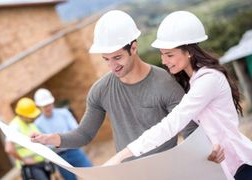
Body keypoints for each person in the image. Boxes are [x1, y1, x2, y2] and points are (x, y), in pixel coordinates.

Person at [30, 10, 222, 165]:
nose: (113, 66)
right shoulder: (100, 90)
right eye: (106, 59)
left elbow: (190, 132)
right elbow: (83, 135)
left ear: (133, 48)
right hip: (127, 173)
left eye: (117, 58)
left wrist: (208, 156)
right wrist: (49, 139)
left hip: (166, 170)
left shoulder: (166, 84)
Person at [103, 11, 252, 180]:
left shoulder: (208, 80)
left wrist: (122, 155)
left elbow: (174, 122)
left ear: (189, 51)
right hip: (220, 167)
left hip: (240, 165)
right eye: (162, 54)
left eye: (170, 55)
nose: (164, 61)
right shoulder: (190, 82)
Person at [33, 88, 93, 180]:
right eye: (44, 106)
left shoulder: (64, 113)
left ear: (52, 102)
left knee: (92, 173)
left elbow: (75, 130)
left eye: (49, 104)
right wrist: (62, 138)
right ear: (39, 107)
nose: (48, 108)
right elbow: (44, 144)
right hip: (60, 158)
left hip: (74, 151)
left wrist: (54, 140)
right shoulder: (37, 124)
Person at [5, 97, 54, 180]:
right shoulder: (14, 126)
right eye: (30, 116)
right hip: (31, 166)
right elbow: (9, 148)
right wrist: (24, 160)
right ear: (22, 115)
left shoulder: (30, 123)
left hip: (42, 163)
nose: (33, 118)